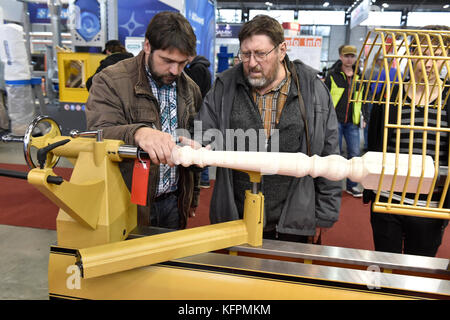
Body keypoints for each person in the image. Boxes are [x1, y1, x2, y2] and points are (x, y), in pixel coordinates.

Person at [196, 15, 342, 243]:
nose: (252, 63)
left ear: (282, 50)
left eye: (260, 54)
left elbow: (330, 155)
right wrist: (198, 144)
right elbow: (202, 132)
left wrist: (325, 214)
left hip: (294, 220)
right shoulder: (224, 87)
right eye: (245, 54)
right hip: (236, 218)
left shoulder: (312, 90)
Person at [85, 11, 203, 229]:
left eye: (182, 63)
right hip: (125, 204)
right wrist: (138, 133)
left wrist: (191, 198)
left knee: (169, 263)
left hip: (174, 203)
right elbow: (96, 134)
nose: (174, 70)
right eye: (167, 60)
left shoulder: (190, 89)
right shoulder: (110, 82)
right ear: (147, 46)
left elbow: (194, 147)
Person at [364, 25, 450, 256]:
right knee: (386, 267)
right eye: (422, 54)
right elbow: (374, 145)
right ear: (411, 55)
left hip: (430, 207)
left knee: (418, 274)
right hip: (387, 200)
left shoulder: (448, 101)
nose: (429, 63)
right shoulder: (390, 97)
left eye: (438, 56)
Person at [325, 45, 365, 197]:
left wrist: (365, 117)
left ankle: (352, 186)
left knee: (354, 155)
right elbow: (325, 98)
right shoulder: (332, 75)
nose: (349, 59)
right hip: (335, 121)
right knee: (334, 154)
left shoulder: (360, 77)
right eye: (346, 55)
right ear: (341, 56)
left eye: (352, 56)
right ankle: (332, 186)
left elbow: (364, 98)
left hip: (352, 122)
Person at [184, 55, 212, 188]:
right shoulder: (204, 68)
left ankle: (203, 179)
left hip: (199, 110)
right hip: (202, 110)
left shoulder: (197, 69)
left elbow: (195, 90)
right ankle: (204, 179)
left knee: (199, 144)